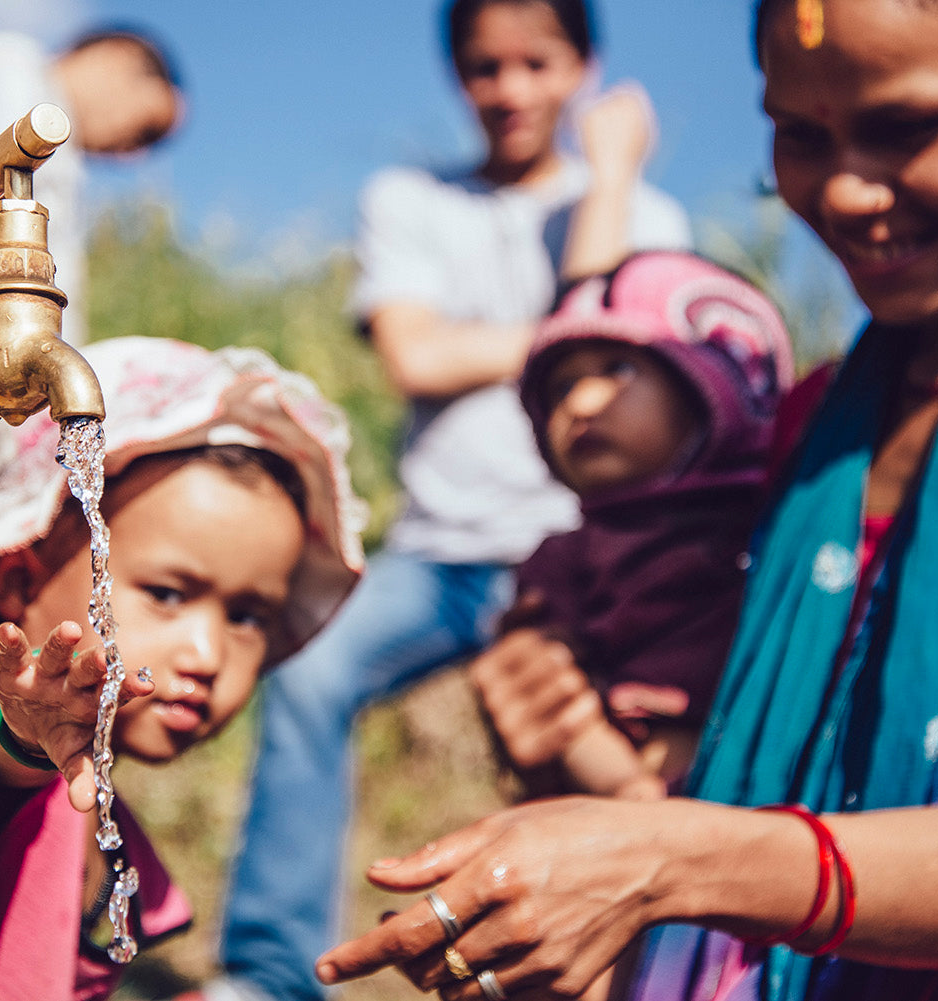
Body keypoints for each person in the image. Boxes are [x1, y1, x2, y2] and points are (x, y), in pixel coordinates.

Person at [314, 2, 938, 1000]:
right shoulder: (817, 428)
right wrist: (557, 709)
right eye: (803, 137)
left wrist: (664, 859)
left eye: (907, 127)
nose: (849, 190)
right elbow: (736, 753)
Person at [212, 4, 692, 1001]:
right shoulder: (409, 197)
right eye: (484, 68)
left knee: (578, 750)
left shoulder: (645, 215)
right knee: (307, 673)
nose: (510, 91)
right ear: (457, 79)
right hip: (437, 553)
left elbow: (567, 342)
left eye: (536, 63)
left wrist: (607, 177)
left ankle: (585, 969)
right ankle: (266, 973)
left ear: (583, 68)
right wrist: (560, 331)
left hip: (580, 551)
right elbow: (415, 353)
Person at [0, 336, 365, 1001]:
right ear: (18, 581)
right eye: (169, 593)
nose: (208, 656)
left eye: (248, 616)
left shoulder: (106, 820)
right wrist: (25, 728)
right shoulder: (32, 719)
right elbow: (1, 736)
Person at [472, 249, 793, 805]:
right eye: (560, 389)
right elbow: (558, 706)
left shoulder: (785, 525)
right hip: (628, 784)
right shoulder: (567, 556)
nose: (582, 403)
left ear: (714, 386)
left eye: (618, 369)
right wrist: (626, 788)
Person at [0, 28, 185, 345]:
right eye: (147, 130)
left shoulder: (67, 158)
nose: (135, 155)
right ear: (120, 58)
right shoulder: (16, 69)